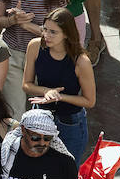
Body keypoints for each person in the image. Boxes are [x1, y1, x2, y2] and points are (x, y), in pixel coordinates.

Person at [22, 9, 95, 161]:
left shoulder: (81, 61)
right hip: (41, 116)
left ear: (67, 34)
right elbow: (26, 85)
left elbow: (89, 101)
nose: (46, 36)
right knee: (38, 166)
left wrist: (59, 97)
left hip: (70, 122)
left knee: (68, 171)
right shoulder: (35, 47)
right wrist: (47, 91)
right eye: (45, 29)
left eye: (53, 32)